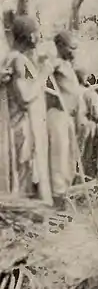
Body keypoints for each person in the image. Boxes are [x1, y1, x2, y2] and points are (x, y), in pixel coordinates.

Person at [0, 15, 53, 203]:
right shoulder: (18, 61)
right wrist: (44, 75)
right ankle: (22, 213)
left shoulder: (16, 59)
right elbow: (24, 98)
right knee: (22, 172)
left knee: (23, 172)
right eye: (37, 33)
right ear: (30, 36)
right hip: (21, 126)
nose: (39, 37)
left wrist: (38, 70)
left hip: (21, 126)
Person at [45, 31, 84, 209]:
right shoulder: (55, 63)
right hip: (57, 115)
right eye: (71, 47)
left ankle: (65, 191)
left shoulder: (68, 65)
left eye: (76, 48)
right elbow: (39, 75)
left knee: (70, 156)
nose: (74, 52)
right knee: (59, 156)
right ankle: (58, 196)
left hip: (68, 116)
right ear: (60, 46)